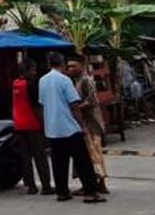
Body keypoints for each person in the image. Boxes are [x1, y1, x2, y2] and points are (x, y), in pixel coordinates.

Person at [38, 51, 106, 202]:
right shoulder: (65, 80)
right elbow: (74, 104)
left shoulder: (42, 81)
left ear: (49, 64)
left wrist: (46, 124)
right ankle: (90, 192)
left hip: (53, 128)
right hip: (69, 127)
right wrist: (81, 125)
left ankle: (62, 192)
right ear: (62, 64)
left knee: (59, 162)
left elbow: (42, 105)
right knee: (83, 161)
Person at [10, 58, 52, 195]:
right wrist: (44, 123)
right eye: (33, 69)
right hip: (33, 124)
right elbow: (36, 108)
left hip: (19, 125)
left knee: (25, 157)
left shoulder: (15, 84)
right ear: (26, 71)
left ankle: (31, 186)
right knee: (40, 156)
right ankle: (46, 186)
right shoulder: (31, 85)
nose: (35, 72)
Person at [67, 56, 108, 188]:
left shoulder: (87, 80)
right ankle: (90, 182)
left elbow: (91, 101)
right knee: (86, 154)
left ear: (82, 66)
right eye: (69, 66)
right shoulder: (73, 81)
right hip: (81, 122)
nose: (70, 69)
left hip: (91, 122)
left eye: (73, 66)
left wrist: (75, 108)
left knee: (94, 152)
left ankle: (100, 181)